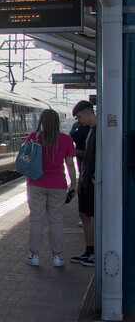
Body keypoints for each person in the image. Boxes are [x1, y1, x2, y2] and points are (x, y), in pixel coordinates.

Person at [23, 109, 77, 267]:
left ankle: (34, 255)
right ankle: (57, 257)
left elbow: (25, 158)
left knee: (36, 220)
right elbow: (70, 165)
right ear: (57, 122)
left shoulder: (34, 137)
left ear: (41, 121)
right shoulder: (65, 140)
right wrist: (73, 183)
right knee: (56, 221)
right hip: (58, 185)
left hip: (35, 184)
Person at [70, 100, 96, 267]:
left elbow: (93, 157)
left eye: (79, 117)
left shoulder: (98, 131)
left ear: (87, 113)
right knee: (84, 215)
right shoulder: (92, 131)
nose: (79, 121)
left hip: (91, 180)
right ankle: (89, 251)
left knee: (90, 216)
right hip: (86, 179)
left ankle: (93, 252)